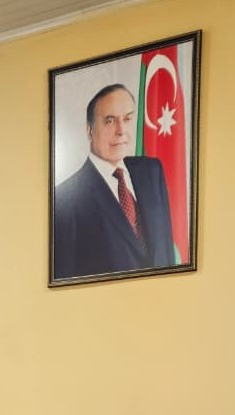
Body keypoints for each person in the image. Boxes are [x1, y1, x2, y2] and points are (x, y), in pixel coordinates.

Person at [53, 83, 175, 280]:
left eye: (127, 119)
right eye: (110, 121)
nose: (121, 130)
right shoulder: (64, 200)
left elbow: (167, 251)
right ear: (89, 130)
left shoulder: (152, 172)